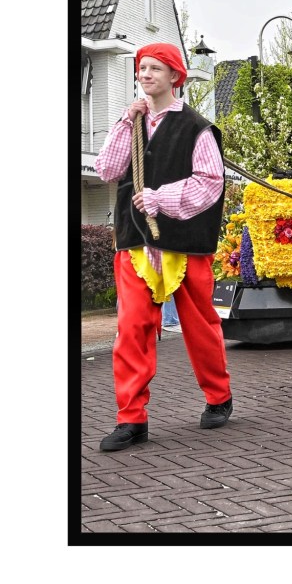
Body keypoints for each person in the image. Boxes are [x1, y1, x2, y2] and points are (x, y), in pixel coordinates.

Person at [95, 42, 232, 451]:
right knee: (131, 328)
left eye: (155, 68)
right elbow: (107, 169)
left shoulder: (197, 127)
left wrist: (160, 198)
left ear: (176, 76)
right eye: (142, 68)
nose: (145, 74)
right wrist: (124, 123)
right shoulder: (132, 122)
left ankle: (218, 396)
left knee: (200, 324)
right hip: (136, 242)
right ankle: (131, 418)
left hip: (184, 244)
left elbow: (210, 182)